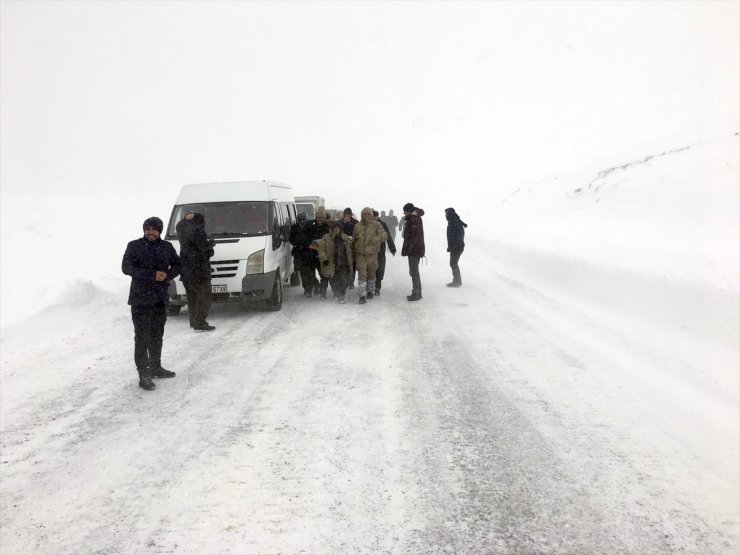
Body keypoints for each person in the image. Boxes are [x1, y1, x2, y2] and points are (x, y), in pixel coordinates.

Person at [122, 217, 182, 391]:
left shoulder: (167, 247)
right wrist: (152, 275)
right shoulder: (134, 246)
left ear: (160, 232)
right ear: (144, 230)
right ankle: (144, 374)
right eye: (148, 229)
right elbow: (126, 267)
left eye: (155, 229)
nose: (151, 232)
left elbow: (178, 265)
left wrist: (167, 275)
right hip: (140, 300)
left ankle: (156, 367)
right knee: (142, 337)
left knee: (157, 335)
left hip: (159, 299)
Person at [176, 211, 216, 331]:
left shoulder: (181, 228)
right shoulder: (198, 230)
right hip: (199, 270)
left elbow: (180, 224)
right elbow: (203, 247)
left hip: (186, 269)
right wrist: (211, 245)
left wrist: (185, 218)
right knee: (205, 295)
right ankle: (200, 322)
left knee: (192, 296)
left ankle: (193, 321)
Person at [352, 207, 387, 304]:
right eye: (364, 214)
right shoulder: (357, 226)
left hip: (372, 255)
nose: (366, 216)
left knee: (371, 274)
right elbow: (354, 238)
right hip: (360, 255)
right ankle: (362, 295)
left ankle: (370, 290)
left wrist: (377, 238)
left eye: (368, 214)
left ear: (371, 215)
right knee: (362, 275)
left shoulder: (377, 225)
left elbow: (384, 235)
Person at [317, 220, 354, 303]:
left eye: (338, 228)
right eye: (334, 228)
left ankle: (341, 296)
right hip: (330, 263)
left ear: (341, 229)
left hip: (343, 263)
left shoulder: (345, 238)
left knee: (343, 280)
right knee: (330, 279)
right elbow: (321, 249)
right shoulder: (326, 238)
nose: (336, 230)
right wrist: (324, 259)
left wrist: (351, 262)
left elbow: (351, 250)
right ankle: (329, 293)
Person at [401, 202, 425, 302]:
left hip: (414, 251)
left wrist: (409, 249)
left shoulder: (414, 220)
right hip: (415, 250)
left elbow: (414, 238)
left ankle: (416, 293)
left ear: (409, 211)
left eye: (405, 212)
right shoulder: (414, 218)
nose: (404, 213)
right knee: (414, 272)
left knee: (414, 272)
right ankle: (418, 292)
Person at [304, 207, 331, 296]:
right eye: (318, 217)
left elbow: (330, 240)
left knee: (323, 274)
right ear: (316, 217)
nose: (320, 219)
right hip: (311, 253)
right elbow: (306, 237)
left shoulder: (327, 227)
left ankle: (322, 292)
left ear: (324, 218)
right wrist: (309, 245)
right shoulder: (310, 225)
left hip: (322, 254)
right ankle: (315, 286)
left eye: (322, 218)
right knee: (310, 273)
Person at [373, 210, 396, 295]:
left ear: (377, 216)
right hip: (370, 250)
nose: (374, 218)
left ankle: (377, 288)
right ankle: (370, 286)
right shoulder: (369, 225)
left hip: (381, 250)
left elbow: (388, 237)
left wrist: (392, 248)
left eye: (375, 216)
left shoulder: (382, 224)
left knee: (379, 269)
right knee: (371, 268)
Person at [445, 207, 467, 287]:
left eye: (447, 214)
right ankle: (457, 281)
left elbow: (459, 236)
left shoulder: (455, 222)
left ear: (450, 214)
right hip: (456, 246)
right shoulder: (453, 221)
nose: (446, 216)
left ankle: (457, 282)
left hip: (457, 247)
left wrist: (454, 246)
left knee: (453, 263)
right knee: (453, 263)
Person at [289, 212, 311, 293]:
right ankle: (307, 289)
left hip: (308, 252)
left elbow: (312, 238)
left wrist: (307, 245)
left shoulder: (309, 227)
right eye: (301, 220)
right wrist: (296, 244)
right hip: (298, 252)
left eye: (304, 220)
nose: (302, 222)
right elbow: (291, 239)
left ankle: (311, 287)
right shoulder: (294, 228)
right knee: (302, 272)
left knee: (309, 272)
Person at [339, 208, 359, 288]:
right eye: (345, 214)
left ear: (351, 215)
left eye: (348, 214)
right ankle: (345, 282)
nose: (347, 216)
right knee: (344, 265)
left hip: (352, 247)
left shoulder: (355, 222)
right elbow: (337, 230)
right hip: (342, 246)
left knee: (352, 265)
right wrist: (344, 223)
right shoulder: (340, 222)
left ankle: (351, 282)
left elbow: (357, 233)